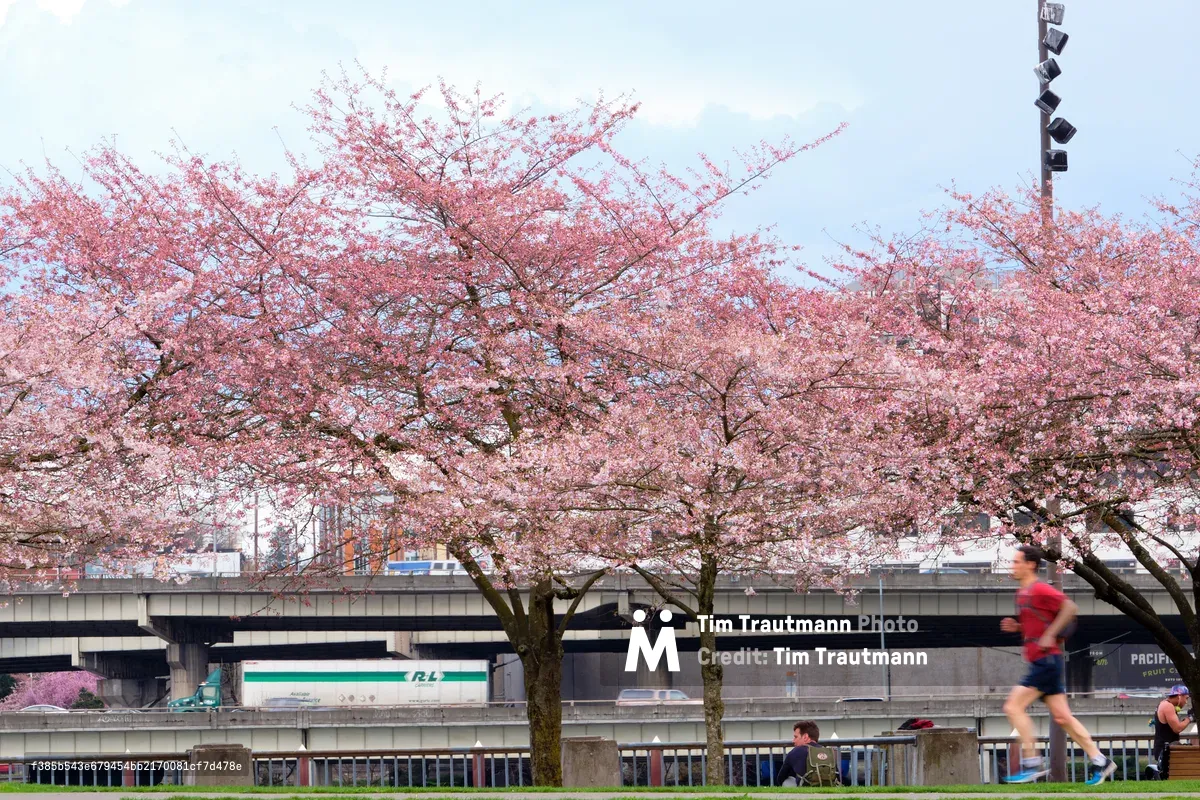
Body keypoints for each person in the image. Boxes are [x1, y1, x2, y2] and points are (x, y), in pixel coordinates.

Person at [1000, 545, 1117, 785]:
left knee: (1013, 707)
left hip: (1046, 662)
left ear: (1031, 564)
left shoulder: (1040, 589)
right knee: (1063, 718)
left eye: (1017, 561)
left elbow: (1070, 608)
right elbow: (1038, 625)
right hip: (1044, 661)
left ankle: (1033, 763)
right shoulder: (1022, 595)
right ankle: (1100, 761)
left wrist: (1050, 634)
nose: (1013, 566)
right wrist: (1019, 628)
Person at [1152, 684, 1192, 779]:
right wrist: (1190, 718)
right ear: (1179, 696)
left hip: (1165, 748)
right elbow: (1177, 728)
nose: (1186, 702)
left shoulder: (1164, 704)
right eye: (1186, 698)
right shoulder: (1168, 706)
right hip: (1165, 750)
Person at [777, 720, 820, 786]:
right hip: (828, 789)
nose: (793, 741)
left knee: (787, 781)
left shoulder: (795, 751)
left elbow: (781, 778)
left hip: (805, 791)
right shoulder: (827, 751)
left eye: (796, 737)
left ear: (805, 737)